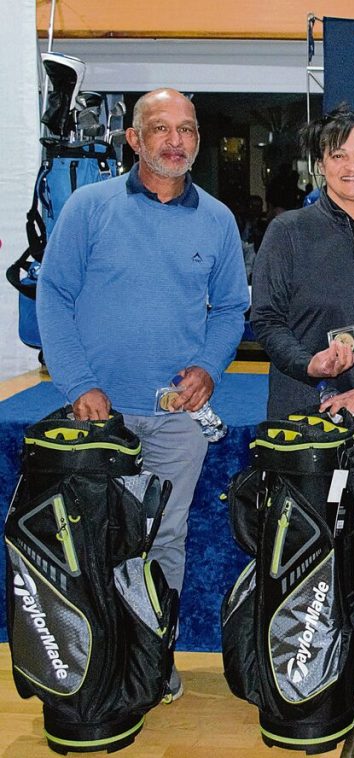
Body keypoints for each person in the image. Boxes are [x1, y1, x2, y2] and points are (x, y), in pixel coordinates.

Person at [36, 87, 250, 701]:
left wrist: (210, 367)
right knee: (97, 540)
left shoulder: (217, 219)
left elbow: (232, 307)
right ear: (134, 139)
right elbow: (53, 296)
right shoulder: (88, 207)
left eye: (186, 129)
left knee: (164, 540)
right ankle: (96, 661)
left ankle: (151, 659)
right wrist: (80, 385)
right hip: (99, 418)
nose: (175, 140)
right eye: (161, 128)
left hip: (180, 419)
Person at [250, 105, 354, 495]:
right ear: (321, 164)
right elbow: (267, 319)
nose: (351, 166)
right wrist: (310, 364)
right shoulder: (288, 232)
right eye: (338, 155)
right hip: (301, 413)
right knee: (306, 537)